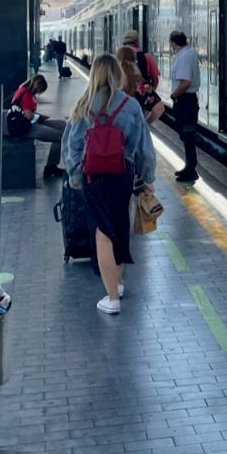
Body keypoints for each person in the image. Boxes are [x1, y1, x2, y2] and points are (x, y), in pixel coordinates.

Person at [62, 54, 156, 315]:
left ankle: (111, 297)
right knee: (119, 226)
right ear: (117, 75)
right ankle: (118, 283)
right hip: (122, 174)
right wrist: (146, 179)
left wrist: (75, 177)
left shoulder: (83, 105)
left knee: (102, 232)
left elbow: (72, 147)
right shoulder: (130, 105)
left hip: (93, 176)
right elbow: (143, 148)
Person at [7, 74, 68, 180]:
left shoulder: (21, 89)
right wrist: (39, 117)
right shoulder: (27, 95)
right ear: (38, 87)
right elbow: (29, 116)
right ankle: (51, 167)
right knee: (59, 136)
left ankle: (52, 165)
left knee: (62, 125)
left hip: (25, 122)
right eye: (41, 90)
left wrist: (39, 117)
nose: (40, 93)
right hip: (25, 127)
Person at [168, 30, 200, 182]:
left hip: (185, 101)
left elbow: (185, 82)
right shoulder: (188, 54)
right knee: (186, 135)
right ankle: (189, 166)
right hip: (187, 101)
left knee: (187, 134)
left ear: (174, 43)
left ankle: (191, 169)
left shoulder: (184, 57)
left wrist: (174, 95)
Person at [116, 45, 162, 125]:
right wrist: (144, 124)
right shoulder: (140, 83)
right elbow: (159, 109)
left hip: (113, 131)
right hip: (135, 133)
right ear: (135, 61)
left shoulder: (111, 81)